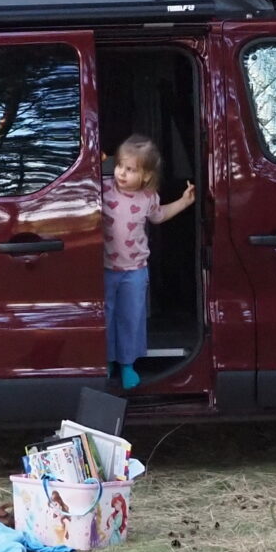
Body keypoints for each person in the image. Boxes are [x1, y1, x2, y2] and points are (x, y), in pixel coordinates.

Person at [102, 134, 196, 390]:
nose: (121, 173)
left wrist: (184, 202)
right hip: (106, 268)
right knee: (106, 315)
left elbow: (159, 215)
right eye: (120, 165)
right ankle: (107, 359)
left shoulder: (148, 197)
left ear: (145, 176)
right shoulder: (104, 189)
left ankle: (127, 363)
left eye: (130, 170)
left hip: (135, 269)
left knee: (131, 317)